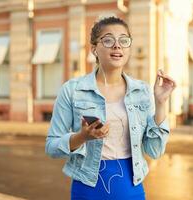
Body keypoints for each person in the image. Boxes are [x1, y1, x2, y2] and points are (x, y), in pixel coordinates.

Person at [45, 16, 176, 200]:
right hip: (87, 188)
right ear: (94, 49)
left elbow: (154, 151)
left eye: (124, 40)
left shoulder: (142, 91)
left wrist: (161, 103)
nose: (117, 45)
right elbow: (51, 147)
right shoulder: (72, 90)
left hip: (130, 189)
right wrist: (82, 137)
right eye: (108, 40)